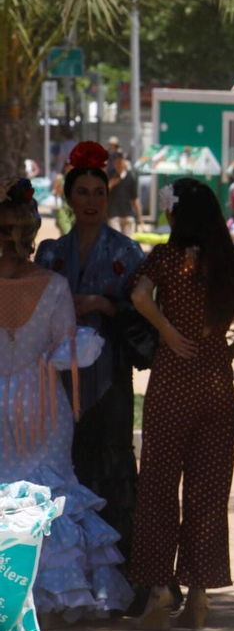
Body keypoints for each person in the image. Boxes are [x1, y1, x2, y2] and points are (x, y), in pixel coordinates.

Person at [128, 179, 234, 630]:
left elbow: (138, 295)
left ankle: (160, 588)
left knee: (159, 487)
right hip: (216, 386)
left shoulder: (166, 258)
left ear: (177, 215)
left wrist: (166, 331)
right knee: (208, 492)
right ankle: (200, 595)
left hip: (172, 380)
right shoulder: (233, 263)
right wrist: (221, 354)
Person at [1, 179, 129, 630]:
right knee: (51, 490)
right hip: (43, 404)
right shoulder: (53, 285)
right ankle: (54, 591)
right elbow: (66, 348)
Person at [35, 141, 148, 600]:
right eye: (81, 192)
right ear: (67, 198)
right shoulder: (49, 254)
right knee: (65, 468)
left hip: (110, 376)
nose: (90, 201)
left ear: (108, 195)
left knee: (112, 463)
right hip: (55, 383)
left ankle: (119, 581)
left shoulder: (127, 250)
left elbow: (143, 317)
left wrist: (106, 304)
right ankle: (66, 582)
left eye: (97, 192)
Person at [106, 154, 139, 235]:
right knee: (116, 242)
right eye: (116, 163)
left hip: (127, 214)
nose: (118, 165)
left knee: (127, 243)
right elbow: (102, 193)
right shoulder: (110, 176)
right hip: (113, 215)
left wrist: (139, 216)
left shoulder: (130, 177)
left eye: (120, 163)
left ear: (124, 163)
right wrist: (110, 185)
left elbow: (134, 198)